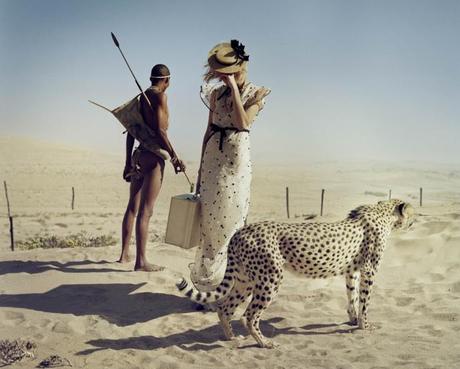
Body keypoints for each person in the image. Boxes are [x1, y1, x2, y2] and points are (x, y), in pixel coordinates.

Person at [190, 40, 270, 291]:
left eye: (230, 73)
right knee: (210, 223)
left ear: (241, 68)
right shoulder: (215, 94)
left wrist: (235, 90)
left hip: (236, 162)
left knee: (233, 220)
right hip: (214, 157)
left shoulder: (256, 93)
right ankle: (208, 286)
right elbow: (208, 129)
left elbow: (243, 122)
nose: (224, 78)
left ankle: (232, 286)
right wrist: (201, 169)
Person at [118, 64, 185, 271]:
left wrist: (128, 161)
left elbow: (131, 130)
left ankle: (123, 256)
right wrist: (175, 157)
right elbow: (161, 131)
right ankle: (141, 262)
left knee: (132, 207)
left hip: (138, 155)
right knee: (146, 212)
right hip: (154, 158)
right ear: (167, 80)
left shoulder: (140, 98)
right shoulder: (160, 97)